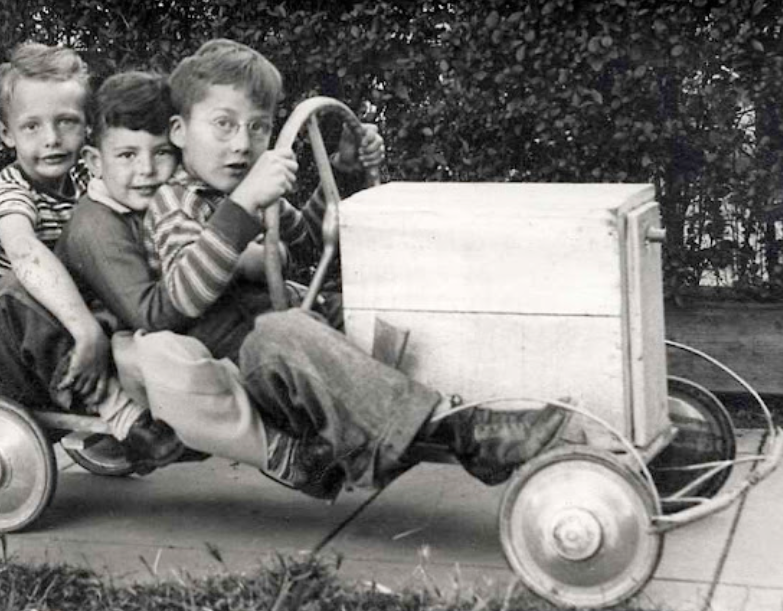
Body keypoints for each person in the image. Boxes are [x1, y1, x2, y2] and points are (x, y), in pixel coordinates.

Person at [57, 39, 574, 497]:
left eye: (258, 127)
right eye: (224, 125)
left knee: (376, 312)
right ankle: (464, 436)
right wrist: (243, 216)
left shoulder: (255, 191)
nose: (242, 143)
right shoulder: (176, 202)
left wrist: (343, 175)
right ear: (181, 131)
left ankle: (492, 408)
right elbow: (183, 295)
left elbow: (308, 248)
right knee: (281, 334)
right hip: (242, 364)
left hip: (300, 331)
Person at [0, 42, 182, 467]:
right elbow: (26, 256)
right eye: (32, 127)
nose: (52, 140)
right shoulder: (9, 192)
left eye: (67, 123)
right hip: (2, 344)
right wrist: (85, 328)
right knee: (22, 285)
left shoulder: (86, 173)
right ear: (6, 134)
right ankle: (120, 410)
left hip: (63, 321)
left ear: (88, 128)